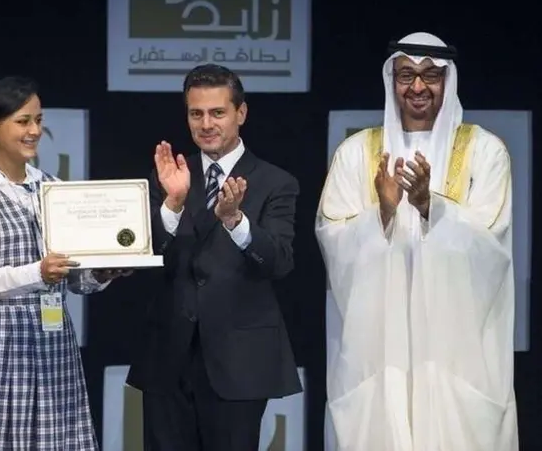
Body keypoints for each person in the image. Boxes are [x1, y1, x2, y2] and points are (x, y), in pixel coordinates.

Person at [317, 32, 518, 450]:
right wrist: (384, 212)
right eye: (406, 75)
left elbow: (491, 247)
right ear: (392, 81)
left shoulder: (485, 152)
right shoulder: (355, 154)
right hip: (378, 356)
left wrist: (431, 207)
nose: (418, 87)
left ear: (448, 81)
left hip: (453, 357)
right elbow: (333, 242)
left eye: (431, 75)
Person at [0, 75, 128, 450]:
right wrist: (38, 272)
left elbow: (73, 278)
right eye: (23, 121)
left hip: (54, 343)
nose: (34, 131)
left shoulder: (52, 188)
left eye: (38, 121)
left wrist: (99, 274)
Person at [126, 64, 302, 451]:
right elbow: (141, 254)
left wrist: (236, 221)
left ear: (241, 113)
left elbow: (279, 261)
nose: (206, 124)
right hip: (168, 359)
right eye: (196, 113)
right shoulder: (170, 175)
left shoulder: (276, 182)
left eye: (217, 112)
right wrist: (172, 204)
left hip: (238, 362)